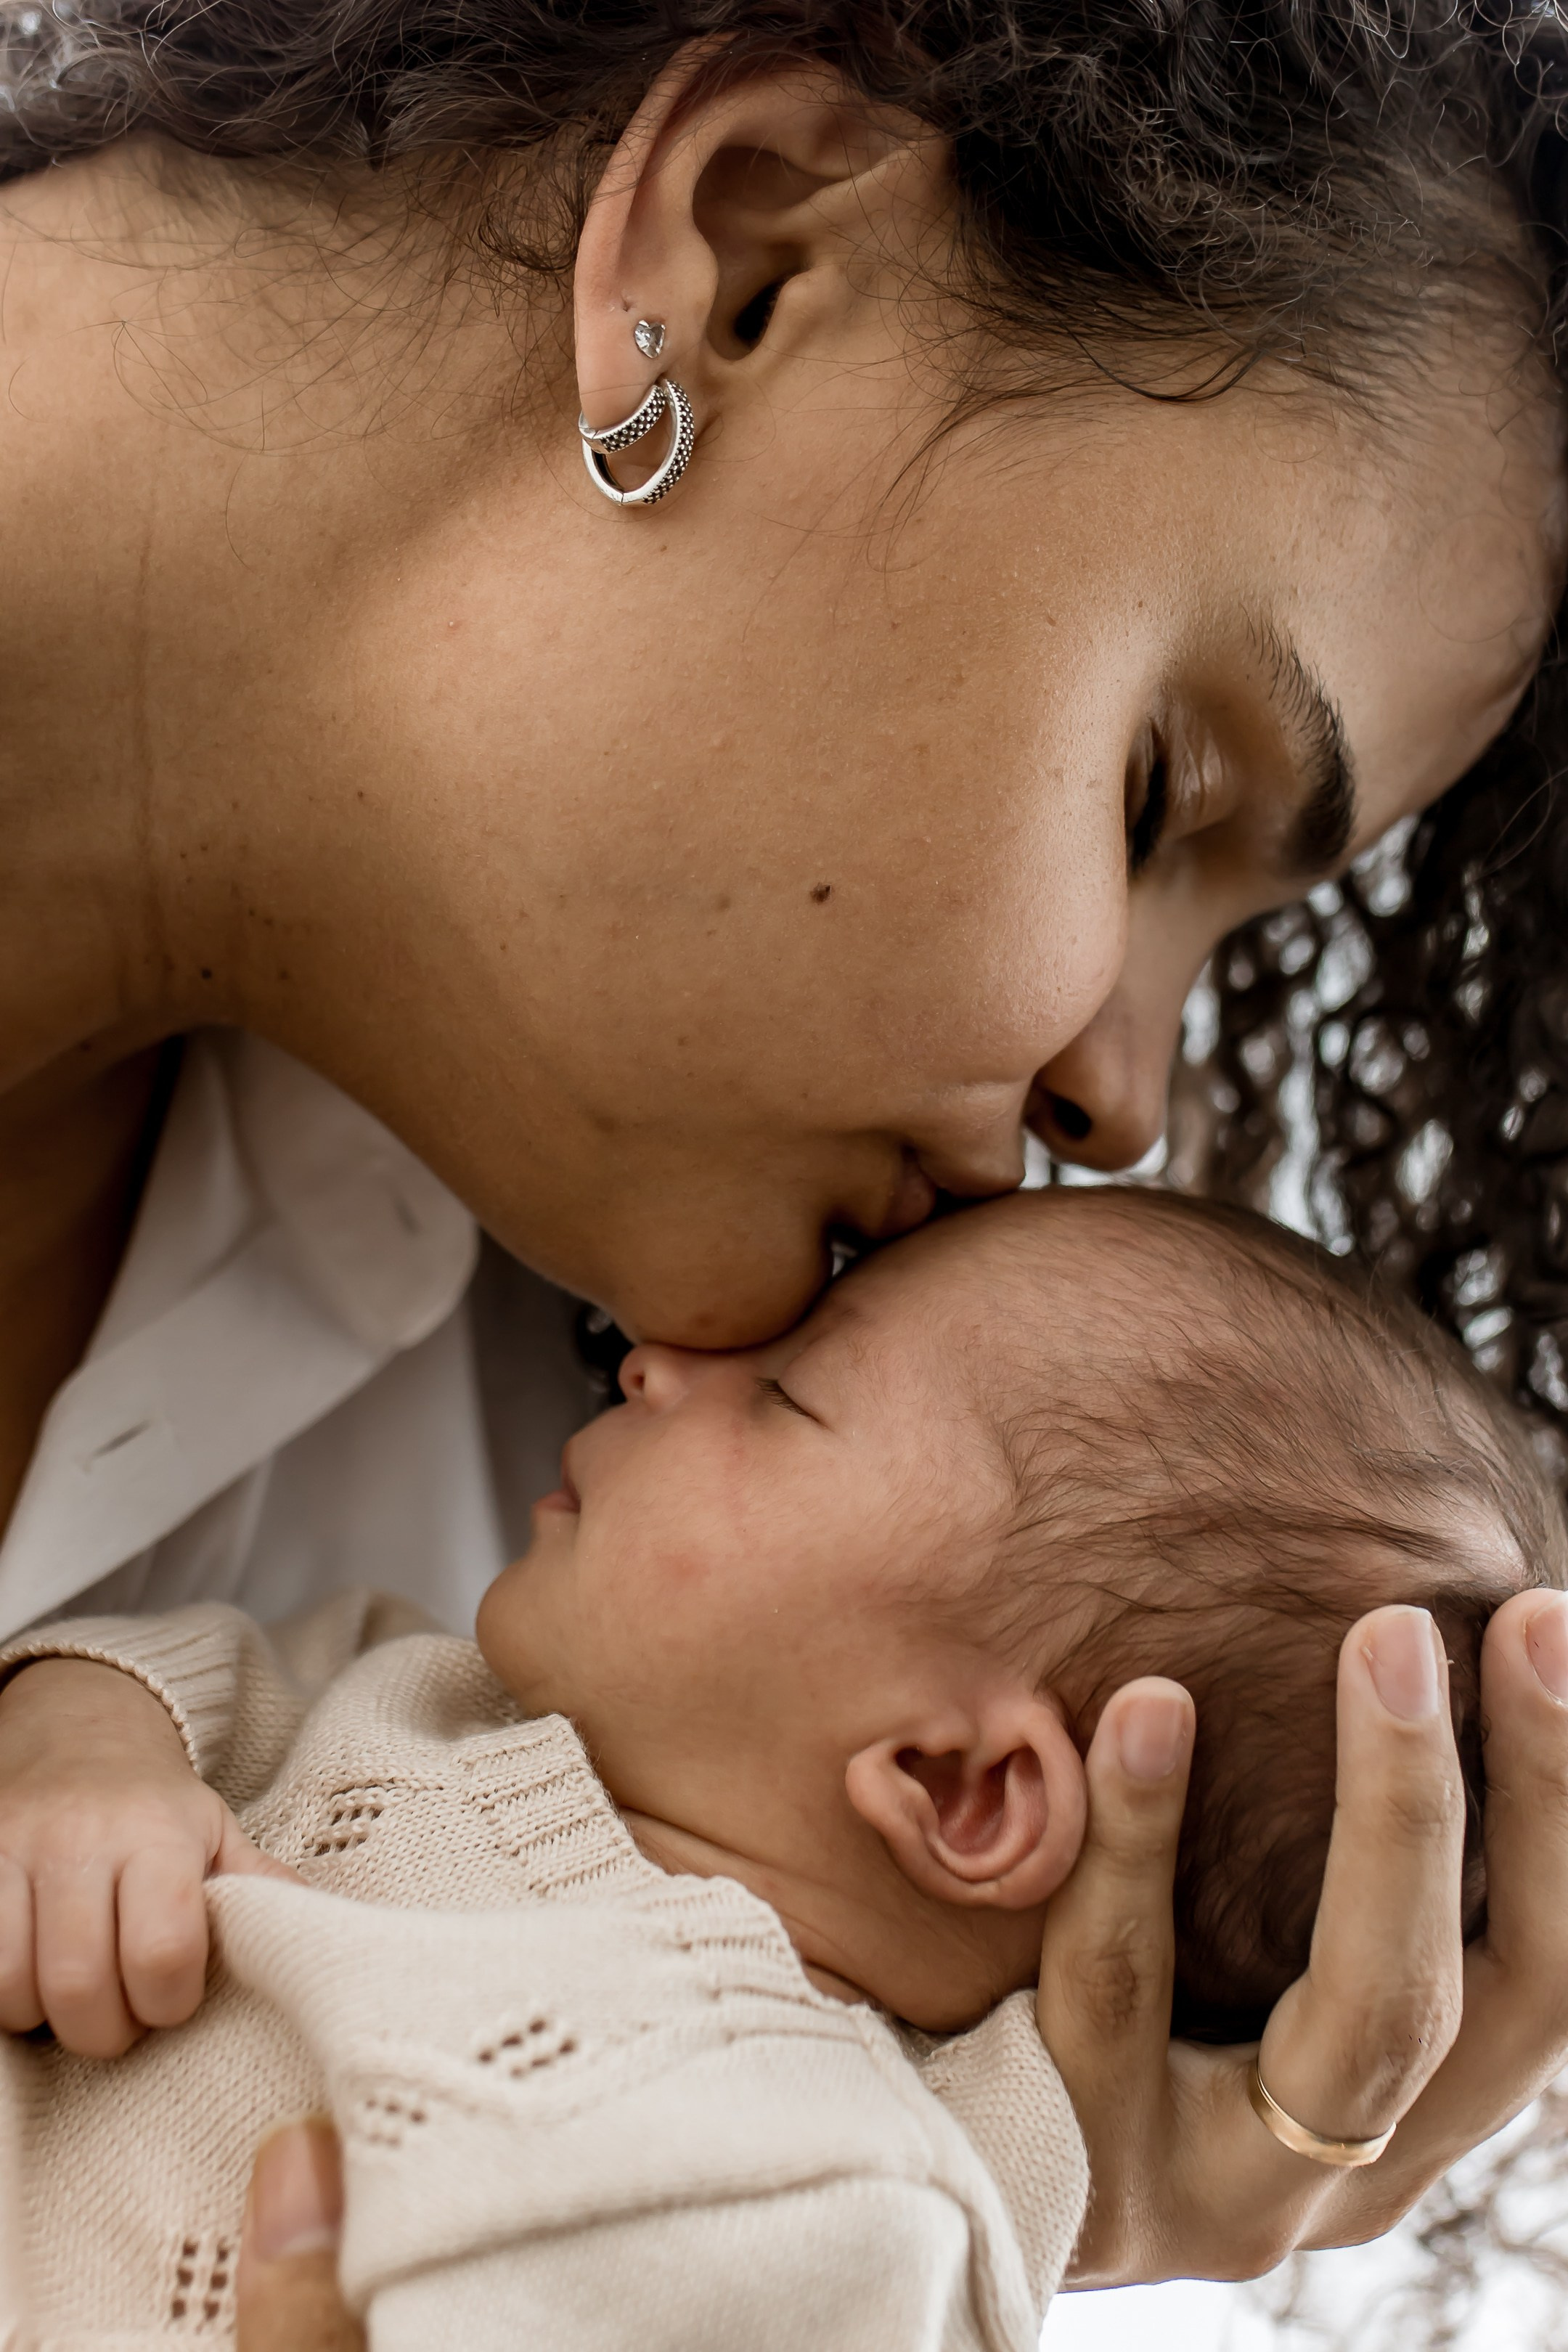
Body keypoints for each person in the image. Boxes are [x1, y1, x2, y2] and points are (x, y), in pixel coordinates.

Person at [2, 0, 1568, 2327]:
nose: (1124, 1104)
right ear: (744, 259)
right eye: (1162, 795)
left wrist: (916, 2169)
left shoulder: (563, 1510)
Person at [2, 1188, 1564, 2349]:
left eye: (788, 1395)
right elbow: (192, 1673)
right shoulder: (436, 1693)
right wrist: (88, 1752)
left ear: (955, 1788)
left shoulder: (856, 2215)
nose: (657, 1366)